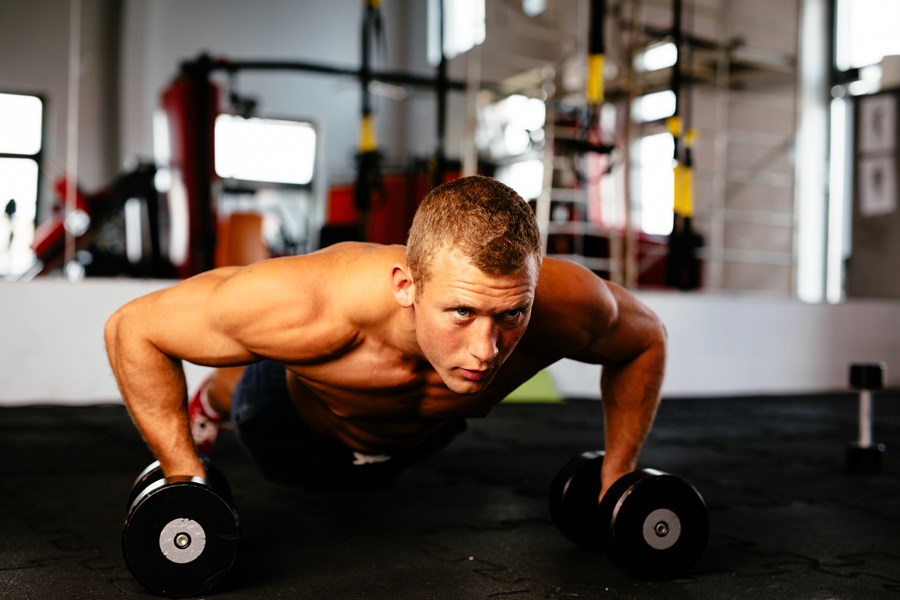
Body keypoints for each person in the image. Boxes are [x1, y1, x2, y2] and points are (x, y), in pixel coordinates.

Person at [105, 175, 666, 500]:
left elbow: (645, 341)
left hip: (418, 440)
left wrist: (616, 472)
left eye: (512, 314)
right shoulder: (315, 301)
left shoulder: (565, 304)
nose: (487, 349)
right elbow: (134, 327)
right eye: (462, 312)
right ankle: (213, 402)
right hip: (293, 428)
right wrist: (183, 478)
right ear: (406, 286)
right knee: (255, 370)